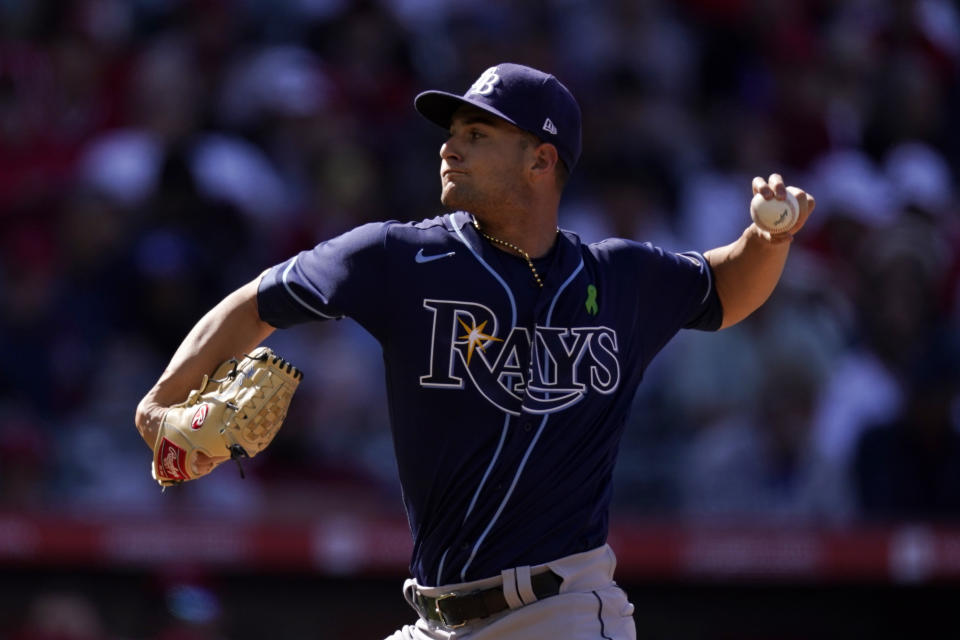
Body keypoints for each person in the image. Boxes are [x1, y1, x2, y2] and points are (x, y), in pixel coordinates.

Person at [135, 63, 815, 640]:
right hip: (435, 617)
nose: (449, 148)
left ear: (541, 160)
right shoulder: (395, 258)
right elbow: (254, 303)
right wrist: (162, 399)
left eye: (478, 134)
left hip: (560, 611)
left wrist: (768, 240)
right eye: (453, 133)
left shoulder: (619, 279)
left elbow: (726, 288)